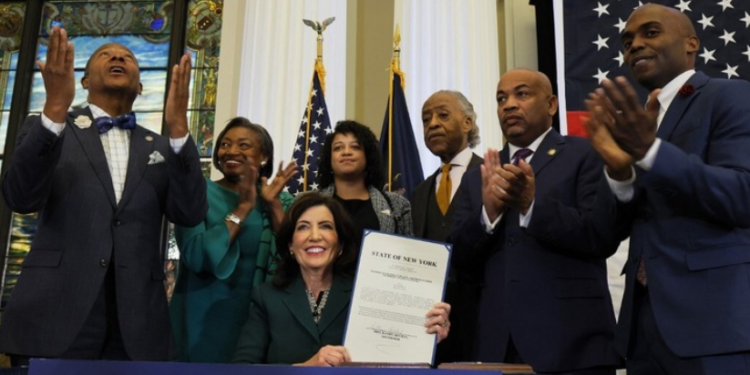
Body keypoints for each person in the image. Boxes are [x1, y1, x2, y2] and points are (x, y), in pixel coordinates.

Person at [0, 26, 207, 363]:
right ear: (82, 81)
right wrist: (54, 108)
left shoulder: (160, 148)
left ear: (140, 87)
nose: (117, 57)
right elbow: (20, 197)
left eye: (128, 57)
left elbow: (191, 212)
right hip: (56, 312)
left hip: (137, 325)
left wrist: (180, 131)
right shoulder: (51, 129)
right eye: (105, 54)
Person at [583, 4, 750, 375]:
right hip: (642, 334)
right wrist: (619, 173)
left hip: (715, 328)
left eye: (650, 33)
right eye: (627, 42)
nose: (635, 46)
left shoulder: (730, 96)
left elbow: (742, 196)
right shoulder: (632, 124)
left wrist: (651, 152)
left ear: (691, 42)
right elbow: (604, 235)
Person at [448, 68, 621, 374]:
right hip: (496, 343)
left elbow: (601, 234)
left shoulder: (585, 154)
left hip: (571, 341)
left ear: (552, 104)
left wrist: (532, 205)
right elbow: (457, 256)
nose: (509, 104)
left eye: (522, 94)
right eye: (501, 98)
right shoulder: (479, 176)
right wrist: (488, 215)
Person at [231, 192, 450, 365]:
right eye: (303, 227)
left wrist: (424, 336)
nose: (314, 236)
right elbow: (243, 368)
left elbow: (394, 361)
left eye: (326, 227)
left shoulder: (369, 295)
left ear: (341, 245)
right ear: (290, 245)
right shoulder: (266, 296)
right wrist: (305, 368)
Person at [169, 117, 297, 363]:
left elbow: (295, 257)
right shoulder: (198, 192)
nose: (231, 151)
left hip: (258, 318)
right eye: (225, 144)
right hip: (201, 318)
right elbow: (197, 256)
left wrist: (273, 205)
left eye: (244, 145)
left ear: (264, 157)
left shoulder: (280, 199)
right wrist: (244, 207)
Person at [412, 90, 482, 364]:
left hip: (484, 323)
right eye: (426, 119)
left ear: (467, 122)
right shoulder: (419, 193)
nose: (432, 124)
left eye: (442, 115)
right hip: (433, 332)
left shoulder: (494, 173)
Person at [317, 120, 412, 238]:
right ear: (329, 158)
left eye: (355, 147)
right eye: (338, 148)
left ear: (368, 156)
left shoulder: (397, 205)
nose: (346, 152)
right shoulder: (308, 202)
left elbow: (408, 251)